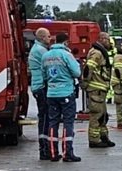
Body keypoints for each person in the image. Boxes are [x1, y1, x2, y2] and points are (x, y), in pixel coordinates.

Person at [44, 32, 82, 163]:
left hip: (51, 93)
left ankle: (53, 153)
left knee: (52, 122)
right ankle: (67, 154)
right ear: (65, 42)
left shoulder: (46, 56)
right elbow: (77, 72)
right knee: (68, 122)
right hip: (66, 92)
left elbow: (44, 74)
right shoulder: (66, 55)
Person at [84, 32, 115, 149]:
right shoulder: (96, 53)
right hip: (96, 88)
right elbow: (88, 68)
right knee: (96, 115)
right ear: (102, 39)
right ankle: (94, 140)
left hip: (101, 88)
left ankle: (103, 137)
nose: (109, 42)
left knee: (103, 116)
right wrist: (86, 84)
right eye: (107, 40)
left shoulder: (101, 52)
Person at [29, 28, 52, 160]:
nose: (50, 39)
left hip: (38, 86)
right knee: (45, 118)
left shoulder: (37, 49)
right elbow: (49, 68)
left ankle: (45, 148)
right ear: (42, 37)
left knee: (45, 117)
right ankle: (44, 149)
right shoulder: (41, 51)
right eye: (48, 37)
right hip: (42, 87)